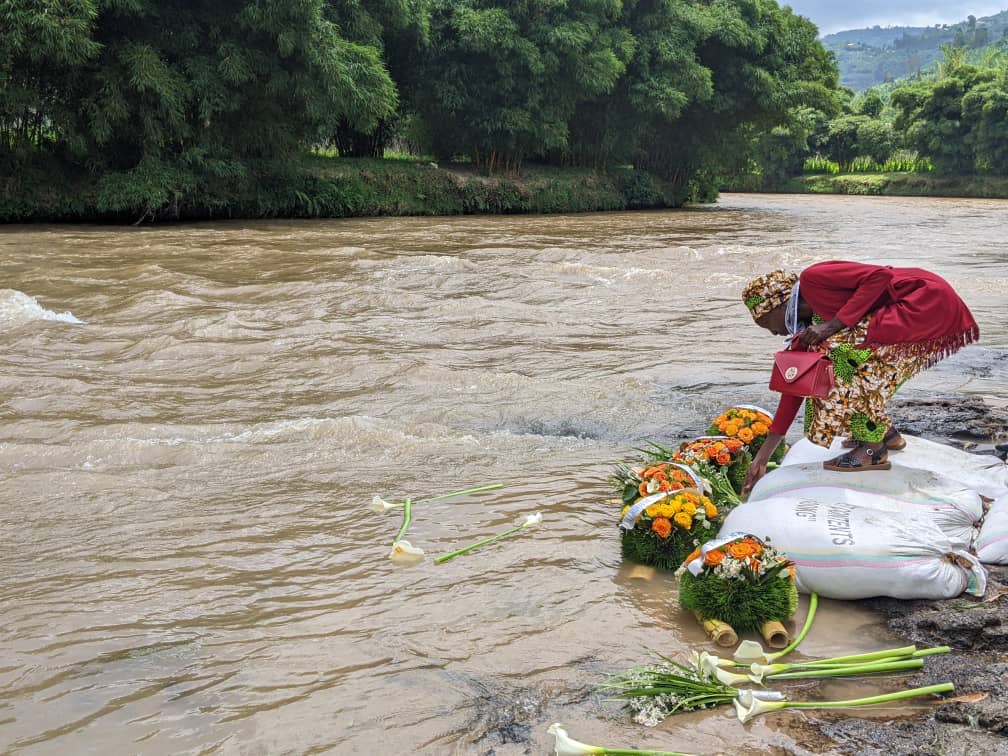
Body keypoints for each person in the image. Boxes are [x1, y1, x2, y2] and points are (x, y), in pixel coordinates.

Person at [740, 261, 979, 492]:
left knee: (838, 359)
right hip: (899, 318)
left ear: (778, 305)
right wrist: (762, 458)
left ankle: (872, 449)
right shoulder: (813, 324)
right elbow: (794, 386)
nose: (773, 332)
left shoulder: (813, 278)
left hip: (924, 303)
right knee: (829, 360)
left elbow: (880, 276)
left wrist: (833, 325)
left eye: (766, 324)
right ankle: (885, 433)